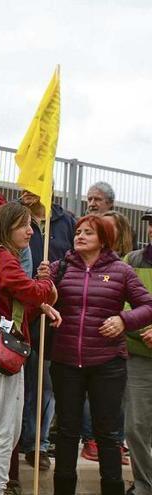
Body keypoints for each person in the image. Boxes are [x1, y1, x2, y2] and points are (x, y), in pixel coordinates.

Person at [47, 215, 152, 495]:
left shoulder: (121, 270)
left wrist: (124, 320)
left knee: (108, 435)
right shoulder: (60, 268)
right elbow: (38, 295)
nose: (79, 236)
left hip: (108, 365)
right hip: (65, 362)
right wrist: (43, 294)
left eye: (88, 233)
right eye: (78, 232)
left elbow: (148, 306)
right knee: (67, 433)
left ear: (103, 239)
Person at [0, 202, 59, 495]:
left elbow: (13, 305)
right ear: (6, 227)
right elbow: (30, 292)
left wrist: (40, 305)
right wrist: (45, 282)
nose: (31, 231)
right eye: (24, 225)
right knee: (3, 435)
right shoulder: (3, 256)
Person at [18, 189, 75, 471]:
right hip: (22, 312)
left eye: (31, 184)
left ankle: (37, 445)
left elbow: (74, 261)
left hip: (53, 315)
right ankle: (19, 442)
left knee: (45, 385)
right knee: (22, 382)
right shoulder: (16, 216)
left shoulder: (67, 222)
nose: (23, 191)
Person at [124, 209, 152, 495]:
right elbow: (119, 301)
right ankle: (144, 485)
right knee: (135, 427)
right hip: (139, 356)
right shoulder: (132, 260)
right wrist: (141, 327)